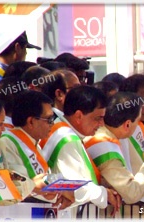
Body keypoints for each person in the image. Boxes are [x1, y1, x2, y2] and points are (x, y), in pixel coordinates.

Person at [84, 92, 144, 217]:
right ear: (127, 124)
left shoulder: (116, 137)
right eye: (137, 121)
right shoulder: (102, 143)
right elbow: (131, 192)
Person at [39, 86, 120, 215]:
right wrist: (104, 194)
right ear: (78, 116)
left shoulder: (64, 131)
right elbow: (72, 187)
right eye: (98, 118)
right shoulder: (67, 139)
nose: (102, 124)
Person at [0, 91, 74, 209]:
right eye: (49, 119)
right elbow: (17, 185)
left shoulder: (35, 144)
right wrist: (56, 191)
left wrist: (59, 192)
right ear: (31, 121)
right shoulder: (7, 142)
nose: (52, 124)